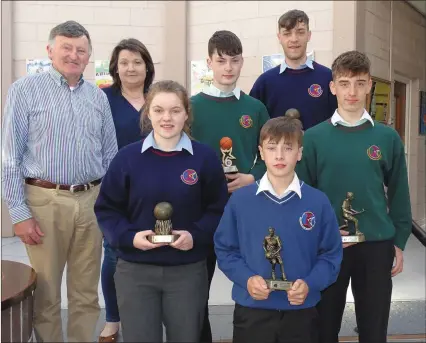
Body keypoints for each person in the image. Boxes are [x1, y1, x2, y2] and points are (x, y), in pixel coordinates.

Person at [1, 21, 118, 342]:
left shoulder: (97, 97)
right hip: (44, 203)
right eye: (66, 48)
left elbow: (110, 156)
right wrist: (19, 213)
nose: (74, 55)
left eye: (81, 50)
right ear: (50, 50)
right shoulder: (24, 91)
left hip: (91, 202)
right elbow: (9, 156)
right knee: (47, 293)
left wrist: (108, 207)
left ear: (89, 56)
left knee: (86, 292)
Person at [94, 80, 229, 343]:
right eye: (158, 110)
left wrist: (196, 235)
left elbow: (219, 209)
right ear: (147, 113)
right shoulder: (127, 158)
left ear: (187, 113)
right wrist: (129, 237)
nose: (167, 118)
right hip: (135, 271)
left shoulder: (204, 158)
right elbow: (107, 209)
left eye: (175, 110)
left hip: (187, 271)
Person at [296, 51, 412, 343]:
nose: (352, 92)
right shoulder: (313, 138)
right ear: (333, 87)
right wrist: (311, 238)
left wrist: (398, 241)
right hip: (327, 245)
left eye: (359, 83)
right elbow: (303, 196)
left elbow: (399, 192)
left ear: (369, 85)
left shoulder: (387, 138)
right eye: (344, 83)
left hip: (375, 244)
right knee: (323, 330)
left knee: (374, 331)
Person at [214, 115, 342, 343]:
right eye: (272, 148)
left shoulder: (318, 202)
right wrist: (247, 278)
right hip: (252, 309)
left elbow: (331, 255)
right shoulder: (240, 201)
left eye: (288, 148)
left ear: (300, 153)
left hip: (302, 310)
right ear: (261, 153)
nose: (280, 155)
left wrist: (310, 284)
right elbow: (226, 250)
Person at [191, 30, 270, 342]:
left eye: (234, 61)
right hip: (201, 211)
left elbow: (272, 152)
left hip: (245, 210)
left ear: (241, 63)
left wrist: (253, 176)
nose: (228, 67)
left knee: (254, 282)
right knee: (197, 290)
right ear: (209, 62)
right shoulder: (191, 106)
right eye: (221, 61)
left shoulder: (255, 108)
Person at [98, 38, 155, 343]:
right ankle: (113, 318)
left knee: (153, 248)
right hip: (117, 190)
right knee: (114, 253)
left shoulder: (157, 98)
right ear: (115, 68)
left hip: (158, 191)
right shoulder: (101, 99)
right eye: (124, 62)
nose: (131, 68)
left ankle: (148, 314)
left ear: (147, 66)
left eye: (137, 61)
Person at [249, 9, 337, 129]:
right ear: (279, 37)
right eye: (287, 33)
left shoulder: (328, 78)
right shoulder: (265, 82)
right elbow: (253, 127)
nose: (294, 39)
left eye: (300, 32)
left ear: (309, 35)